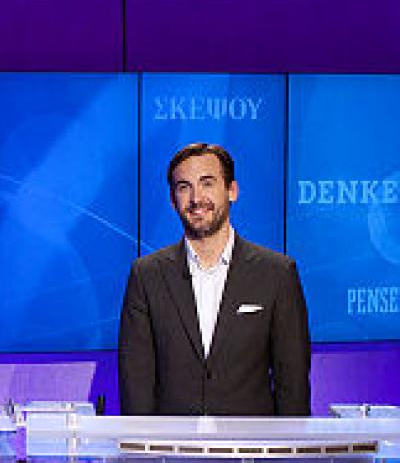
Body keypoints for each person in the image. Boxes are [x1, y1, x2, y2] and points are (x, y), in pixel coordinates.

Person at [118, 143, 310, 415]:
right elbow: (136, 384)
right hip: (172, 441)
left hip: (250, 441)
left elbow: (293, 384)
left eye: (207, 183)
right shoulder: (147, 275)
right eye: (184, 187)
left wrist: (291, 442)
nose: (196, 198)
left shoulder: (277, 274)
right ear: (173, 200)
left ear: (232, 190)